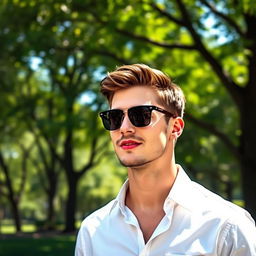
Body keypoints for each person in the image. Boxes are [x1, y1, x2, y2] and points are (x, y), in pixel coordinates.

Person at [75, 64, 256, 256]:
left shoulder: (227, 227)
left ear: (175, 127)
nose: (124, 127)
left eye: (141, 115)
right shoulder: (93, 232)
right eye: (114, 117)